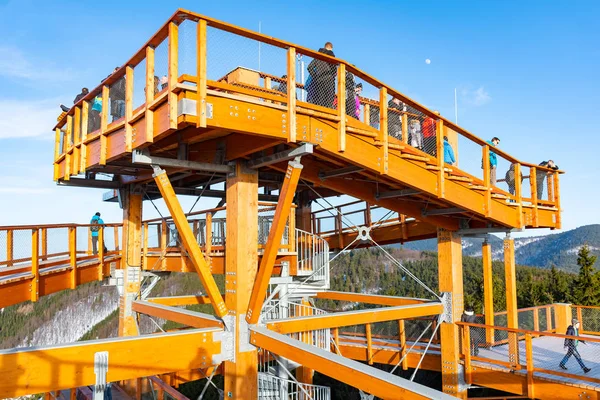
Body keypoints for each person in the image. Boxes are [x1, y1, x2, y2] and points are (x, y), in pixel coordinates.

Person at [306, 42, 337, 108]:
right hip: (329, 80)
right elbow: (334, 69)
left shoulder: (318, 56)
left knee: (320, 100)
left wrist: (315, 76)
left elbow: (309, 67)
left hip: (319, 81)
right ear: (331, 48)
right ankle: (328, 115)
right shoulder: (331, 55)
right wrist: (333, 74)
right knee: (329, 100)